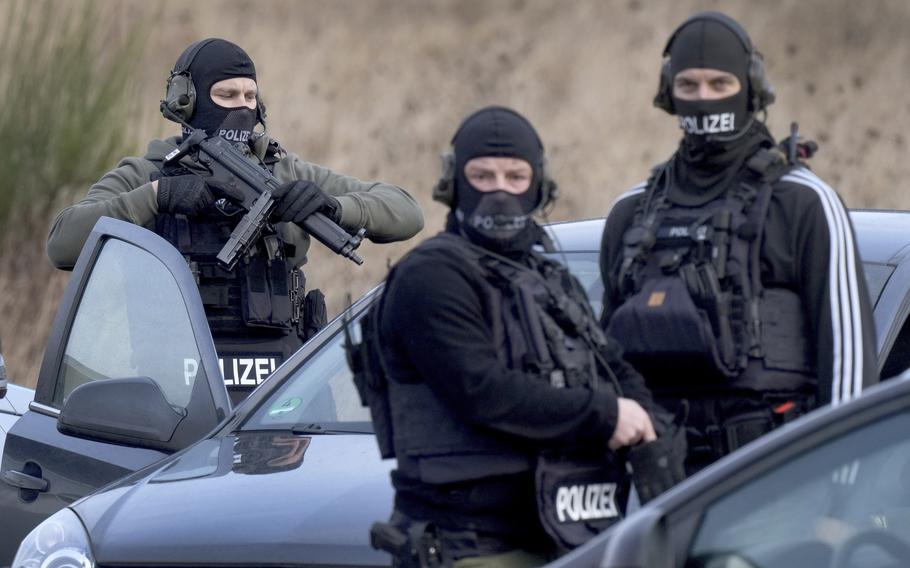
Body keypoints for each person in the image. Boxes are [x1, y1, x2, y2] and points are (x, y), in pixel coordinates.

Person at [354, 105, 678, 567]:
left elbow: (611, 364)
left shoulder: (547, 275)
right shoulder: (430, 277)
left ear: (538, 185)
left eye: (515, 176)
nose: (500, 191)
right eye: (483, 176)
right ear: (455, 184)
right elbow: (482, 390)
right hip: (471, 541)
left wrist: (652, 430)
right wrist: (604, 415)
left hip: (564, 532)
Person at [46, 38, 424, 403]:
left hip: (281, 387)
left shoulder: (284, 171)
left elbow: (406, 212)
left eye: (249, 96)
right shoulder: (146, 173)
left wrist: (334, 207)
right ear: (187, 100)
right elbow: (63, 243)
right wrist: (157, 196)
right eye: (226, 96)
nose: (241, 108)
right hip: (176, 393)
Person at [599, 12, 877, 474]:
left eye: (719, 83)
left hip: (773, 483)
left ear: (750, 87)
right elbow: (603, 366)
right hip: (656, 487)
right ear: (670, 94)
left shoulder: (804, 202)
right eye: (689, 86)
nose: (704, 99)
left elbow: (849, 370)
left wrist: (840, 500)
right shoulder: (631, 214)